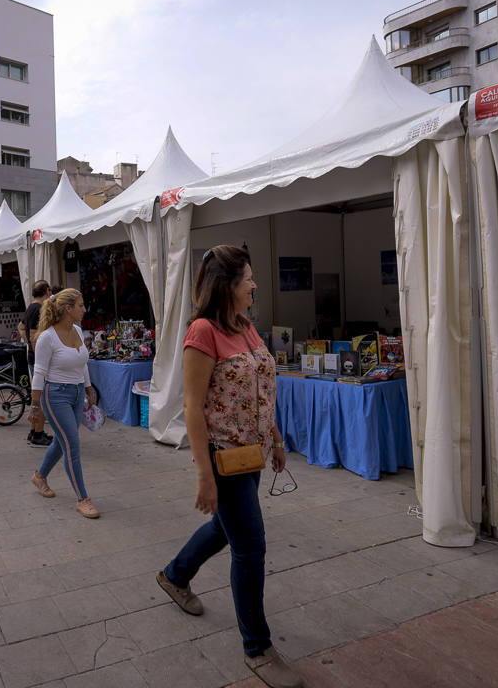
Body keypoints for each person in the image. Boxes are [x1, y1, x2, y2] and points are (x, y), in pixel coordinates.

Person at [155, 245, 300, 688]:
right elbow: (192, 407)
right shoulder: (203, 332)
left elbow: (261, 389)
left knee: (225, 528)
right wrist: (203, 475)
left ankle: (175, 575)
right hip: (223, 457)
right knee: (250, 546)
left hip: (251, 453)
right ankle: (257, 647)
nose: (255, 285)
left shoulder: (247, 328)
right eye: (249, 279)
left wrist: (274, 437)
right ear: (228, 285)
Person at [28, 288, 99, 519]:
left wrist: (88, 389)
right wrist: (35, 405)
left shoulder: (77, 330)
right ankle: (83, 498)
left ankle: (39, 476)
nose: (84, 309)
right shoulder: (47, 337)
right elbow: (38, 372)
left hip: (77, 393)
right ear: (68, 309)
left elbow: (82, 363)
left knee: (62, 441)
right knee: (73, 444)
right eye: (80, 305)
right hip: (55, 395)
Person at [17, 281, 54, 447]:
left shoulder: (30, 308)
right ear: (47, 291)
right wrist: (40, 356)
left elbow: (21, 327)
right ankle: (38, 433)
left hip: (34, 358)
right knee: (42, 399)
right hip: (38, 360)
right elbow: (33, 335)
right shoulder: (38, 309)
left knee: (37, 398)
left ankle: (34, 432)